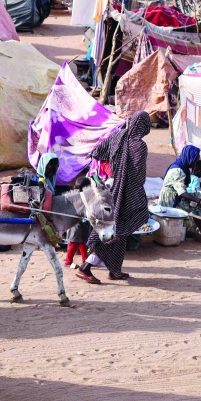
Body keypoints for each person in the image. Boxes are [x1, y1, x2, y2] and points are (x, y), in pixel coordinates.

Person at [77, 111, 151, 284]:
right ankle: (85, 267)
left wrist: (111, 172)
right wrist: (134, 190)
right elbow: (139, 175)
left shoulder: (118, 135)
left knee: (119, 230)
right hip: (126, 193)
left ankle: (115, 270)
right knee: (116, 230)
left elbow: (97, 151)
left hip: (110, 188)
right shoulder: (139, 145)